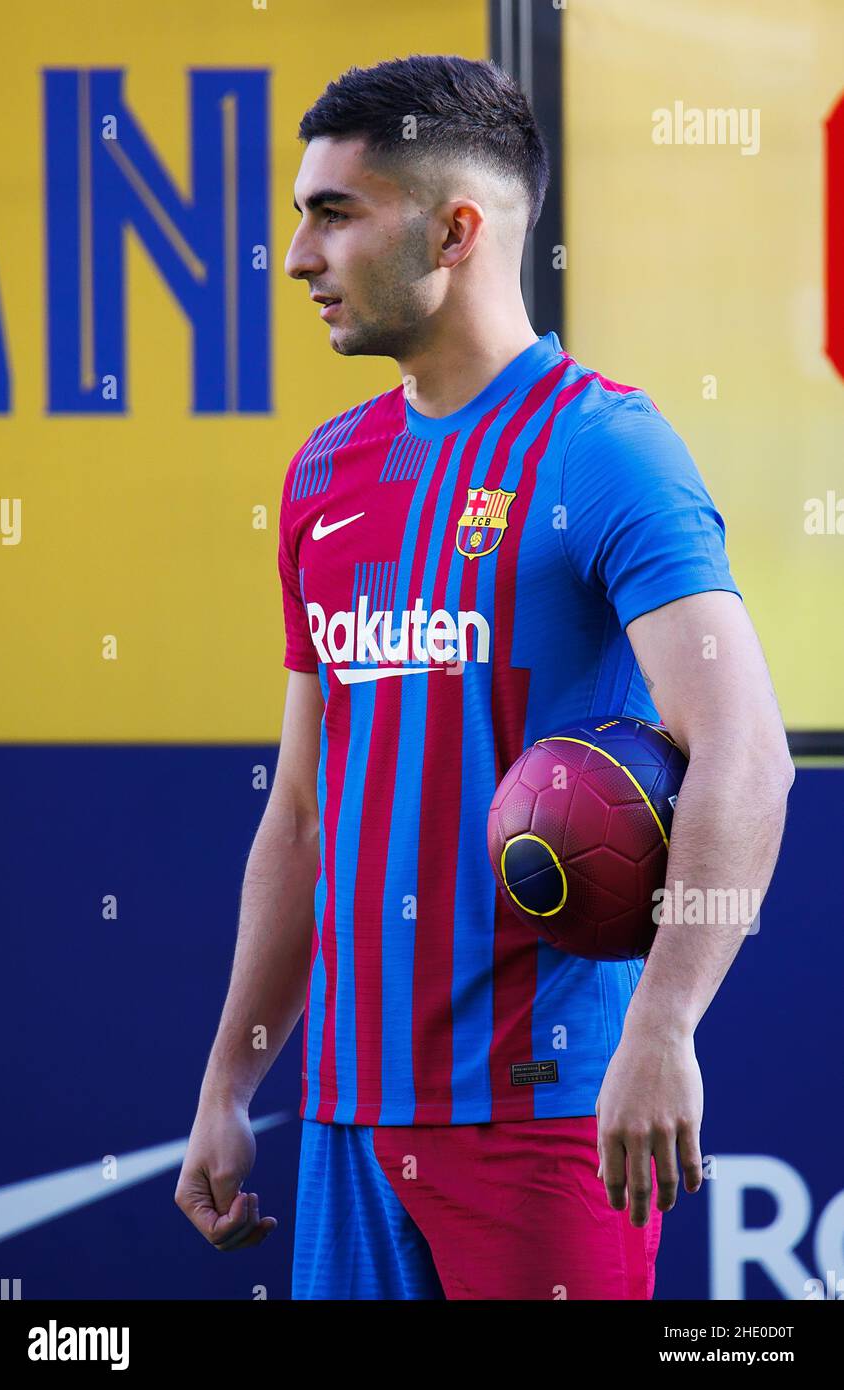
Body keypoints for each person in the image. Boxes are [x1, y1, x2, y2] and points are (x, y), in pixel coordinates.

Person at [175, 54, 794, 1300]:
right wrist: (232, 1077)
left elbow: (745, 752)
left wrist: (664, 1025)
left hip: (544, 1118)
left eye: (333, 213)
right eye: (302, 213)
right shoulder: (320, 476)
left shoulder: (603, 445)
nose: (296, 256)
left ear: (455, 230)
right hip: (347, 1123)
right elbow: (302, 814)